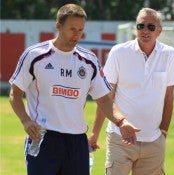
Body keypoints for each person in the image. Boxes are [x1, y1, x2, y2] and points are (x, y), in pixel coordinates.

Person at [8, 3, 139, 175]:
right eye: (72, 29)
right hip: (43, 138)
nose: (77, 34)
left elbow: (104, 99)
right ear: (58, 26)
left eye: (80, 30)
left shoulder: (89, 60)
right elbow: (15, 93)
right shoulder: (35, 55)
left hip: (77, 142)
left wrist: (121, 121)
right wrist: (25, 120)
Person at [95, 7, 174, 175]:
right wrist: (95, 133)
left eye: (151, 27)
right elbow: (107, 97)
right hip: (119, 139)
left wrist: (163, 133)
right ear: (136, 28)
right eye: (141, 26)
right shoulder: (118, 52)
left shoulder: (169, 54)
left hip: (153, 142)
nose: (145, 30)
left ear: (159, 31)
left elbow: (168, 99)